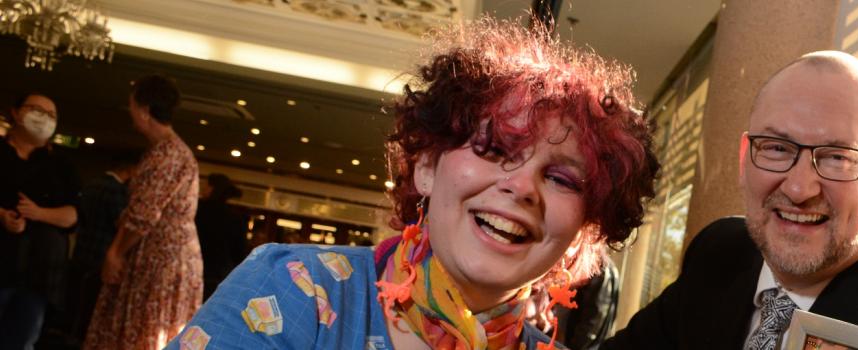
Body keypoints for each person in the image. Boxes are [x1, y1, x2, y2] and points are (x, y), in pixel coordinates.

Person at [163, 17, 658, 349]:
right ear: (425, 164)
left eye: (560, 177)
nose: (522, 186)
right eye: (495, 149)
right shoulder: (295, 291)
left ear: (584, 231)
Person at [606, 51, 858, 350]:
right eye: (777, 148)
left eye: (838, 158)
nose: (798, 189)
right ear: (744, 158)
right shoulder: (719, 252)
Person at [85, 75, 204, 350]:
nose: (130, 111)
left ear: (145, 109)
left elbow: (143, 215)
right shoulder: (164, 152)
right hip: (159, 257)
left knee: (146, 333)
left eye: (132, 104)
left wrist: (115, 252)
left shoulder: (169, 155)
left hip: (161, 261)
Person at [0, 93, 80, 350]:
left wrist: (38, 213)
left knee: (22, 341)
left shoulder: (61, 166)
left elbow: (74, 215)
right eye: (37, 110)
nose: (44, 118)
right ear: (16, 112)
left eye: (51, 115)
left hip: (39, 275)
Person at [61, 148, 143, 348]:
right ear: (131, 169)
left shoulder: (92, 183)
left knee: (74, 301)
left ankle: (67, 336)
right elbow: (122, 224)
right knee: (90, 307)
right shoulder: (117, 191)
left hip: (81, 249)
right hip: (103, 255)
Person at [195, 173, 249, 298]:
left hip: (194, 270)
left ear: (212, 188)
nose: (202, 188)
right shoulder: (235, 218)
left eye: (205, 185)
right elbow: (239, 254)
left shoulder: (197, 210)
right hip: (219, 276)